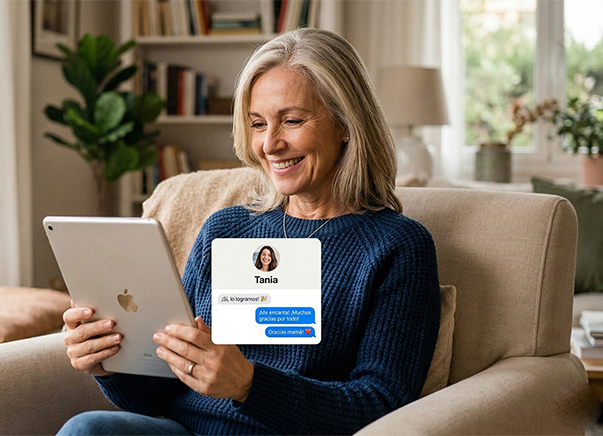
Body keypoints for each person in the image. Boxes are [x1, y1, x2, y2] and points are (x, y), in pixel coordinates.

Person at [58, 28, 440, 435]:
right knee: (90, 429)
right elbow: (162, 393)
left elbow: (381, 404)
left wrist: (249, 385)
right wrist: (110, 366)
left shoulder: (397, 247)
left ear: (346, 124)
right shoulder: (225, 230)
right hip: (186, 429)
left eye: (291, 120)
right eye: (258, 124)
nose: (270, 144)